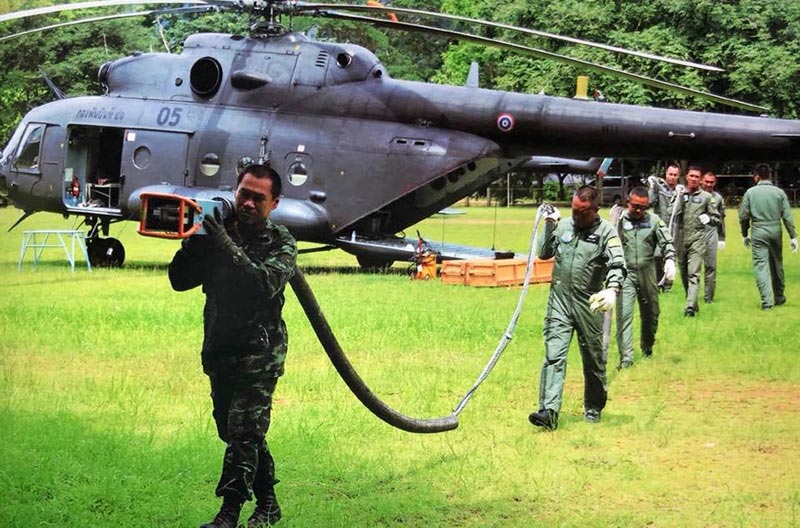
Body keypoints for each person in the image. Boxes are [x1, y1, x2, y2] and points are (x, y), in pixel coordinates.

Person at [169, 164, 298, 528]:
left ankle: (228, 514)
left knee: (243, 432)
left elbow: (260, 284)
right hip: (220, 349)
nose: (249, 203)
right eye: (244, 193)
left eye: (259, 198)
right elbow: (179, 281)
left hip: (260, 354)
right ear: (235, 191)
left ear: (275, 203)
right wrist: (195, 244)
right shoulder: (216, 232)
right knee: (236, 431)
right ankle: (269, 505)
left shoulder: (282, 242)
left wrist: (223, 243)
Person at [528, 186, 626, 430]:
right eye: (573, 211)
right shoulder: (564, 226)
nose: (576, 217)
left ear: (595, 210)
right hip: (559, 303)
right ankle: (548, 411)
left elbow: (617, 264)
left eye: (582, 213)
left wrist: (612, 289)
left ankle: (593, 407)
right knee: (554, 356)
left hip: (589, 305)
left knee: (593, 360)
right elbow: (543, 253)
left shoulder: (606, 233)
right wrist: (550, 224)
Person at [613, 187, 675, 369]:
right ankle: (626, 358)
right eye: (635, 206)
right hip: (627, 273)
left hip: (648, 272)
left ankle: (647, 346)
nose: (639, 211)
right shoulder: (619, 221)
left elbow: (667, 241)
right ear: (628, 202)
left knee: (651, 314)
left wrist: (670, 259)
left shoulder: (654, 221)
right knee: (624, 315)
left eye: (643, 207)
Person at [738, 163, 798, 310]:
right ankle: (779, 296)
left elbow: (743, 216)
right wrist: (793, 236)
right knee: (777, 263)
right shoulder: (779, 193)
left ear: (756, 176)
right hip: (775, 229)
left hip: (759, 230)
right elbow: (787, 217)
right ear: (770, 175)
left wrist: (745, 233)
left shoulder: (750, 193)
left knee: (761, 265)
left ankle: (767, 301)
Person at [671, 165, 721, 317]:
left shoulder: (707, 197)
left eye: (696, 177)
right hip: (681, 237)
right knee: (684, 272)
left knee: (694, 273)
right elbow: (671, 214)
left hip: (698, 238)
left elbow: (717, 218)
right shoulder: (679, 194)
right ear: (686, 177)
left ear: (700, 180)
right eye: (691, 176)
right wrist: (679, 199)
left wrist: (709, 219)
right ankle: (692, 300)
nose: (693, 179)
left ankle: (690, 308)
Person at [647, 162, 681, 288]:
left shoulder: (680, 191)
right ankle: (658, 281)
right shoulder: (658, 188)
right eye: (670, 174)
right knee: (656, 255)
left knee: (670, 256)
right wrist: (651, 187)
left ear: (678, 176)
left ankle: (667, 284)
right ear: (666, 174)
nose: (672, 177)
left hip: (674, 229)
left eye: (675, 175)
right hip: (659, 228)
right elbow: (649, 202)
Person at [700, 171, 726, 303]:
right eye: (706, 181)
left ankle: (709, 297)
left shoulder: (718, 198)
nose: (709, 184)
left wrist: (722, 238)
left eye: (712, 182)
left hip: (711, 234)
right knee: (692, 268)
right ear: (701, 181)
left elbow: (721, 219)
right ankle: (691, 295)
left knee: (711, 266)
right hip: (696, 234)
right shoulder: (695, 195)